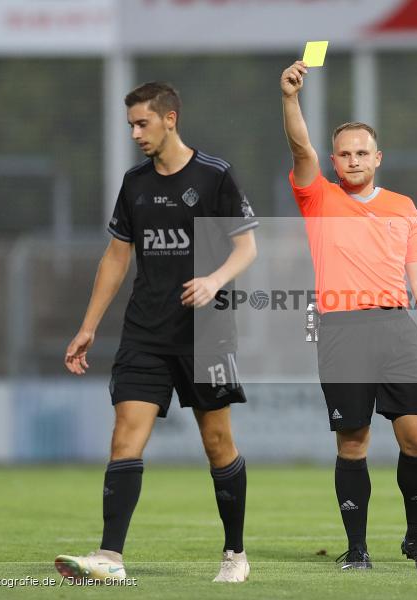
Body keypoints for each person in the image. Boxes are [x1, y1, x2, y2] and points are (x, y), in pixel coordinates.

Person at [54, 82, 258, 583]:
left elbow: (247, 248)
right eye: (130, 125)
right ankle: (110, 558)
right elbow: (117, 257)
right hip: (144, 331)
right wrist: (87, 327)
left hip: (205, 333)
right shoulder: (135, 182)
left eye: (142, 123)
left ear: (170, 119)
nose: (135, 134)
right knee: (125, 437)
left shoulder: (215, 175)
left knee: (217, 442)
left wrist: (213, 280)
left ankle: (234, 554)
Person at [280, 61, 417, 570]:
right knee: (353, 440)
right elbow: (299, 148)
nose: (353, 160)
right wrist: (290, 99)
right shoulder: (318, 197)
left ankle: (416, 538)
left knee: (416, 436)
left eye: (363, 152)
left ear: (377, 158)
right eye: (345, 153)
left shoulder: (403, 206)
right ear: (332, 160)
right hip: (341, 331)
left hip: (395, 327)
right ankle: (356, 548)